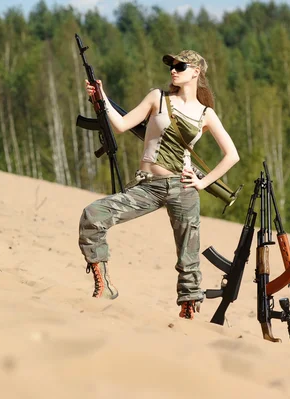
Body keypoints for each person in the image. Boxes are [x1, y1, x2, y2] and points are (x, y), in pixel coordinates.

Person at [79, 50, 240, 319]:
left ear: (196, 72)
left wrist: (201, 183)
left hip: (183, 188)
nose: (173, 70)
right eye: (171, 66)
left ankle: (188, 311)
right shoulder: (158, 98)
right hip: (148, 186)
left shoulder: (205, 114)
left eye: (180, 66)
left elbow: (232, 155)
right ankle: (103, 284)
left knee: (188, 255)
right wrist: (101, 96)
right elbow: (120, 125)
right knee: (93, 215)